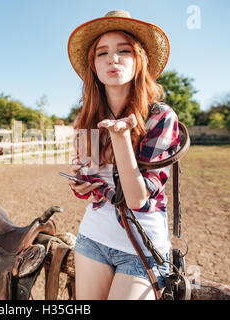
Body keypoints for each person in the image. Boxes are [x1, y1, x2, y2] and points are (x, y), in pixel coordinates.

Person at [66, 10, 180, 300]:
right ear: (94, 65)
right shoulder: (86, 119)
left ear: (138, 59)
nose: (112, 59)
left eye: (123, 51)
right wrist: (81, 186)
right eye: (102, 53)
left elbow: (137, 199)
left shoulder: (160, 117)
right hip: (93, 238)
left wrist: (120, 137)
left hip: (141, 247)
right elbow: (91, 183)